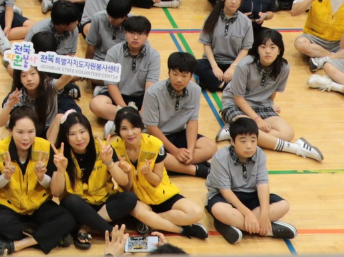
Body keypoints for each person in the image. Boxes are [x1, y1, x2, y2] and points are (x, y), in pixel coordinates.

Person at [216, 30, 323, 161]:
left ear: (279, 50)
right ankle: (295, 148)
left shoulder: (284, 67)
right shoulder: (245, 65)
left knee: (288, 133)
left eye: (272, 47)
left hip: (262, 105)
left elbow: (273, 90)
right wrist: (257, 120)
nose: (268, 51)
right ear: (257, 49)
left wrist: (269, 105)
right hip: (235, 104)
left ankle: (235, 131)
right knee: (250, 132)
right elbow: (238, 98)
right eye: (263, 47)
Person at [0, 106, 75, 255]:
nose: (26, 138)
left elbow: (53, 189)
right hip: (10, 205)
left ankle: (18, 244)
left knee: (67, 219)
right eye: (20, 132)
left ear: (36, 130)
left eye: (31, 132)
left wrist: (41, 177)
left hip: (39, 204)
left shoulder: (45, 147)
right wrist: (5, 177)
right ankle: (49, 235)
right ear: (11, 131)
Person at [106, 107, 208, 240]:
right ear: (118, 131)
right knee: (141, 211)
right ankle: (183, 229)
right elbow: (127, 188)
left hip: (159, 191)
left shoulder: (155, 144)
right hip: (136, 197)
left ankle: (150, 222)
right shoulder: (114, 149)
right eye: (124, 128)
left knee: (196, 212)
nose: (130, 133)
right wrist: (129, 172)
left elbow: (157, 181)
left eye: (134, 127)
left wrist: (148, 174)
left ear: (141, 127)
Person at [51, 112, 142, 248]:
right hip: (78, 205)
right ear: (66, 136)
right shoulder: (60, 155)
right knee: (71, 201)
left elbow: (123, 182)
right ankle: (111, 233)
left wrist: (109, 163)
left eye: (82, 132)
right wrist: (60, 170)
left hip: (103, 202)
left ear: (89, 131)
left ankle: (85, 226)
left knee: (129, 198)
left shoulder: (104, 148)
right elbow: (56, 193)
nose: (79, 138)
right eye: (72, 134)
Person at [206, 116, 297, 244]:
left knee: (283, 205)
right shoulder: (220, 157)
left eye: (253, 140)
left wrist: (264, 214)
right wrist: (248, 214)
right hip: (225, 197)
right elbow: (225, 191)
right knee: (219, 210)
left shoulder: (260, 154)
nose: (249, 146)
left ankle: (228, 224)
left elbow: (262, 185)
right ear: (233, 141)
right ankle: (267, 230)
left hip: (251, 196)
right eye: (243, 141)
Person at [142, 52, 216, 179]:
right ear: (168, 73)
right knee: (151, 155)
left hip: (178, 134)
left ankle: (175, 166)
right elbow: (151, 127)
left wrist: (190, 151)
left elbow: (192, 121)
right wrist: (175, 151)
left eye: (184, 75)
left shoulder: (195, 90)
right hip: (155, 137)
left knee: (211, 147)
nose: (179, 79)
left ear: (191, 76)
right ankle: (195, 170)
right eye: (175, 74)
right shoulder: (153, 93)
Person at [196, 0, 253, 92]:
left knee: (250, 69)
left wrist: (233, 67)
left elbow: (245, 49)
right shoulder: (211, 18)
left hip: (233, 63)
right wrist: (214, 67)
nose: (234, 1)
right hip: (212, 62)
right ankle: (225, 86)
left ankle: (211, 83)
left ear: (241, 0)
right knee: (195, 65)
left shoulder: (246, 22)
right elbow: (206, 44)